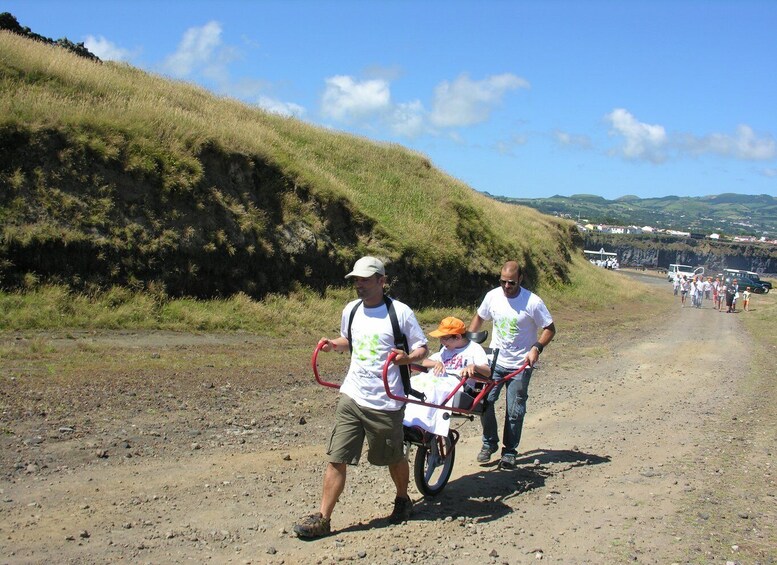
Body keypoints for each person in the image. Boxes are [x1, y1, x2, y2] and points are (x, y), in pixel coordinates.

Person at [293, 256, 428, 538]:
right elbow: (348, 341)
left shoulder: (400, 313)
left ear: (382, 281)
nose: (359, 285)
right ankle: (323, 517)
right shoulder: (351, 310)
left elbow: (422, 349)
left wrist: (406, 359)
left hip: (386, 402)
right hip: (352, 396)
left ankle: (403, 499)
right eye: (356, 279)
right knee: (337, 456)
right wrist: (333, 345)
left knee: (392, 458)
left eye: (365, 279)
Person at [468, 261, 556, 470]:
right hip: (495, 362)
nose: (507, 287)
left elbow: (550, 328)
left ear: (520, 279)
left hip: (520, 365)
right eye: (503, 282)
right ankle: (489, 443)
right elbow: (479, 317)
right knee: (484, 403)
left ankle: (509, 452)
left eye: (511, 283)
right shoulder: (493, 296)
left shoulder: (532, 302)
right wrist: (469, 346)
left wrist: (536, 347)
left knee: (515, 410)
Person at [404, 317, 492, 436]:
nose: (441, 342)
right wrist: (436, 363)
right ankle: (408, 421)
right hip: (439, 379)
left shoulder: (474, 349)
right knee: (412, 383)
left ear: (458, 337)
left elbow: (487, 372)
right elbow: (425, 362)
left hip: (457, 383)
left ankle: (425, 426)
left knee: (433, 389)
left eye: (444, 338)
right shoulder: (445, 350)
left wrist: (474, 366)